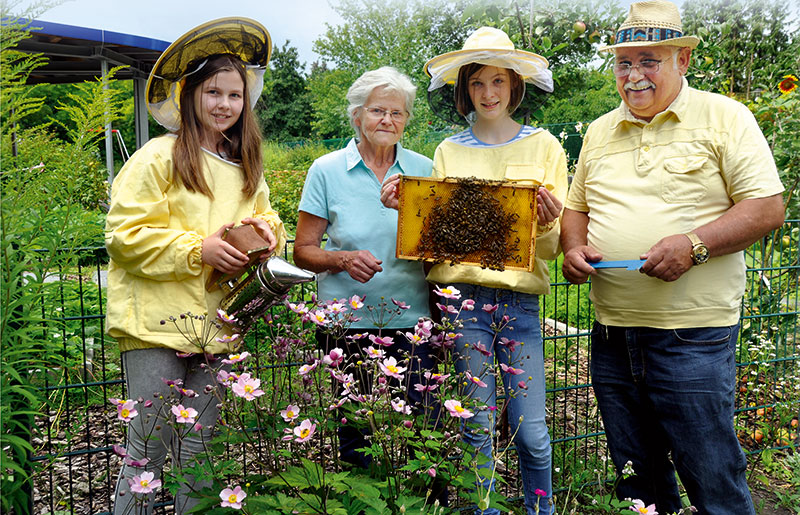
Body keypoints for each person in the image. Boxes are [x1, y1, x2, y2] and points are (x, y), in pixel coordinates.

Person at [560, 1, 785, 513]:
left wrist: (693, 245)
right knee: (637, 478)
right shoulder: (599, 131)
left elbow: (767, 207)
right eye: (624, 63)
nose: (633, 76)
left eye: (649, 61)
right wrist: (573, 249)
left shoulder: (725, 116)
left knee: (711, 474)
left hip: (693, 335)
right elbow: (576, 209)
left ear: (682, 60)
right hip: (613, 334)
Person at [383, 26, 567, 515]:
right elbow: (436, 235)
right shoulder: (449, 151)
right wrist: (405, 209)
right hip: (463, 303)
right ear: (465, 88)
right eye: (479, 83)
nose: (489, 93)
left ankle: (540, 510)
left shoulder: (545, 146)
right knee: (477, 424)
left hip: (521, 306)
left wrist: (547, 220)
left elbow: (548, 247)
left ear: (514, 86)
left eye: (499, 82)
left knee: (532, 432)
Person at [105, 18, 285, 514]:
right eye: (213, 92)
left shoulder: (245, 162)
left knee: (201, 453)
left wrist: (268, 236)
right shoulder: (155, 158)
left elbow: (266, 215)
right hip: (156, 326)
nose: (224, 104)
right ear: (188, 95)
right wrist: (196, 249)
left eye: (234, 95)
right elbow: (124, 238)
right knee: (147, 452)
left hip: (218, 324)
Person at [293, 67, 439, 472]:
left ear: (407, 119)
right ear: (356, 116)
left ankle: (420, 502)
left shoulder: (423, 170)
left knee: (422, 431)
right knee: (358, 435)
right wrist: (342, 258)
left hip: (413, 321)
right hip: (346, 323)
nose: (388, 120)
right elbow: (303, 251)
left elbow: (439, 252)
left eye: (398, 112)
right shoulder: (326, 170)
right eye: (377, 111)